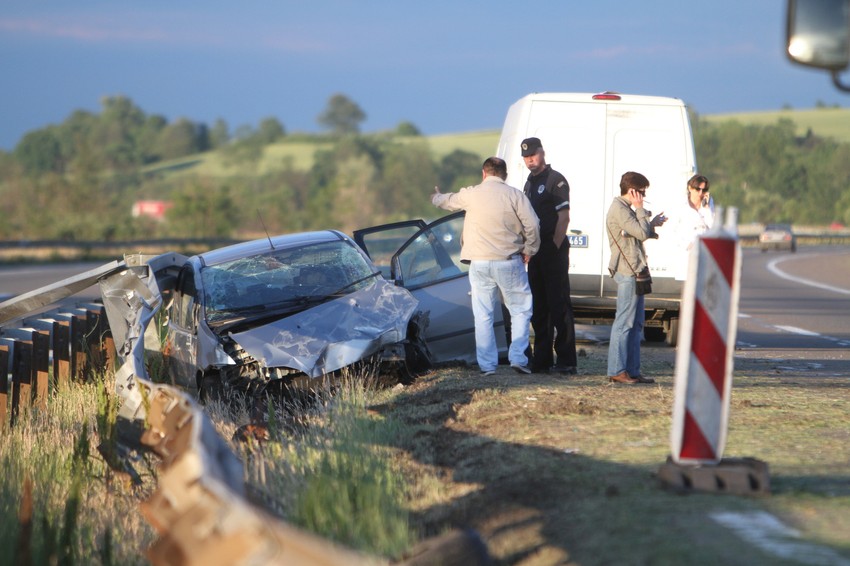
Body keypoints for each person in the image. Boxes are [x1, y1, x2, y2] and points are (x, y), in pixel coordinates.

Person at [432, 157, 540, 375]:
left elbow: (448, 200)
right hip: (508, 261)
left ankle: (487, 365)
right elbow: (533, 224)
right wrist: (530, 249)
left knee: (483, 315)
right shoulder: (515, 195)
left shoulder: (472, 194)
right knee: (520, 310)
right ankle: (518, 357)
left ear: (484, 173)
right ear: (504, 175)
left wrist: (435, 197)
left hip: (479, 263)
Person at [520, 137, 577, 375]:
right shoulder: (529, 184)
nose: (530, 159)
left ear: (542, 153)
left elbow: (564, 218)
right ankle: (542, 359)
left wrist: (554, 247)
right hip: (534, 251)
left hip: (552, 249)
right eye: (526, 156)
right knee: (539, 307)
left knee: (559, 305)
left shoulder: (556, 180)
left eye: (533, 154)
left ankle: (566, 360)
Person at [605, 171, 667, 384]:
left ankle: (631, 370)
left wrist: (652, 223)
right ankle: (617, 369)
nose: (642, 197)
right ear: (632, 191)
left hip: (635, 270)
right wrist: (641, 211)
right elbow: (640, 233)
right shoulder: (619, 210)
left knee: (636, 323)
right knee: (625, 322)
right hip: (627, 270)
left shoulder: (626, 210)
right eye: (641, 193)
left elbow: (638, 230)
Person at [673, 174, 715, 253]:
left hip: (705, 248)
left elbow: (712, 226)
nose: (700, 193)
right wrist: (687, 245)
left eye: (704, 190)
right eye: (697, 189)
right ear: (690, 188)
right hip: (686, 249)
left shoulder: (709, 202)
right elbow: (673, 229)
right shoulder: (681, 203)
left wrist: (706, 208)